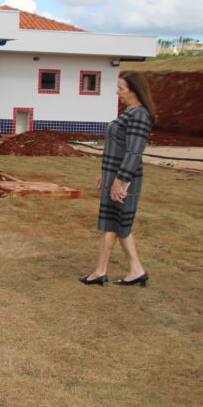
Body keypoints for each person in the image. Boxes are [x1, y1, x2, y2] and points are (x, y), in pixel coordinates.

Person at [80, 71, 156, 286]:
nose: (117, 92)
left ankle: (103, 272)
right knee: (116, 224)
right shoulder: (130, 113)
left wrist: (120, 181)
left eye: (121, 88)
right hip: (114, 174)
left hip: (125, 178)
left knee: (117, 224)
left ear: (134, 90)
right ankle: (134, 270)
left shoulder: (139, 115)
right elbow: (117, 147)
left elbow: (134, 153)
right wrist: (104, 173)